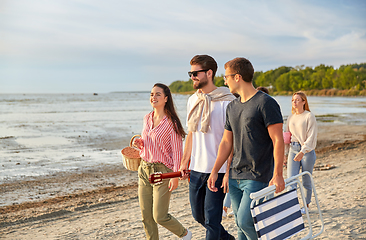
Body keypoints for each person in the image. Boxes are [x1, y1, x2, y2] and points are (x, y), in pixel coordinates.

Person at [207, 57, 285, 240]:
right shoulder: (232, 106)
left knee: (244, 221)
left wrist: (278, 173)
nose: (224, 81)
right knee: (240, 227)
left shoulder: (266, 103)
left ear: (237, 77)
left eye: (226, 77)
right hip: (235, 175)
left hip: (257, 174)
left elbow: (278, 140)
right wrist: (215, 170)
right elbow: (226, 142)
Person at [179, 54, 236, 240]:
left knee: (212, 220)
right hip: (196, 168)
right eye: (190, 73)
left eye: (195, 73)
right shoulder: (192, 100)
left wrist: (227, 170)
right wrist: (184, 161)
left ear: (209, 73)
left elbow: (232, 140)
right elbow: (192, 134)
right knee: (198, 216)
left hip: (217, 170)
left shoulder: (228, 101)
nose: (192, 77)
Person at [133, 83, 192, 240]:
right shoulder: (147, 118)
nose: (154, 97)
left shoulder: (171, 123)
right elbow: (147, 141)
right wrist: (140, 143)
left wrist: (175, 175)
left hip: (162, 172)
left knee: (159, 215)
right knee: (146, 216)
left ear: (166, 98)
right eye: (152, 94)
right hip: (144, 169)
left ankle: (185, 234)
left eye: (158, 94)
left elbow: (177, 150)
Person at [285, 91, 317, 214]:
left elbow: (312, 137)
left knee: (306, 179)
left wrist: (303, 151)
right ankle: (292, 207)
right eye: (293, 100)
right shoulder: (291, 117)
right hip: (293, 149)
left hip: (307, 152)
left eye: (298, 100)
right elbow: (287, 136)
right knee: (291, 180)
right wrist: (285, 153)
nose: (295, 102)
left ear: (304, 101)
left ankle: (306, 206)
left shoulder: (309, 116)